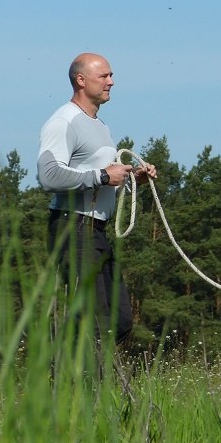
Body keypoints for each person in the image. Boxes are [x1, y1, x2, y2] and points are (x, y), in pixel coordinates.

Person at [37, 53, 157, 344]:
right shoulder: (63, 121)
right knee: (96, 321)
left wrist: (131, 180)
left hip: (96, 230)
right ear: (81, 80)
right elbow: (48, 176)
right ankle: (73, 383)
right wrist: (103, 176)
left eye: (111, 76)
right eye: (104, 76)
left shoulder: (100, 126)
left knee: (121, 320)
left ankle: (77, 378)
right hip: (72, 228)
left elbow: (100, 177)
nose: (111, 82)